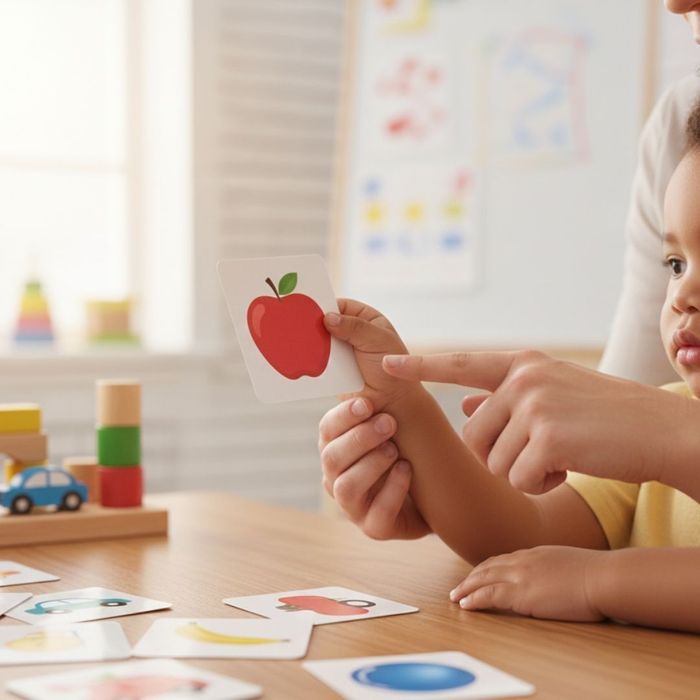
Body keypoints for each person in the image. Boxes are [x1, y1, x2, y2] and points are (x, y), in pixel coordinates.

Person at [317, 5, 700, 633]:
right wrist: (409, 415)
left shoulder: (655, 429)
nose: (683, 294)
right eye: (675, 262)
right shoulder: (649, 423)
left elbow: (568, 564)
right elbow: (524, 536)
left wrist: (595, 579)